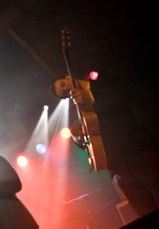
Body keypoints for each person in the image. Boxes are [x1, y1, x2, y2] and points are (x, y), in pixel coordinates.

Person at [53, 74, 159, 217]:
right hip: (118, 169)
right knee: (145, 211)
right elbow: (88, 142)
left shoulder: (100, 84)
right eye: (64, 93)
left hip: (139, 153)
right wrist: (78, 139)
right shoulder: (76, 110)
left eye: (63, 84)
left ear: (67, 76)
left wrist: (91, 98)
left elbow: (124, 97)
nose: (67, 89)